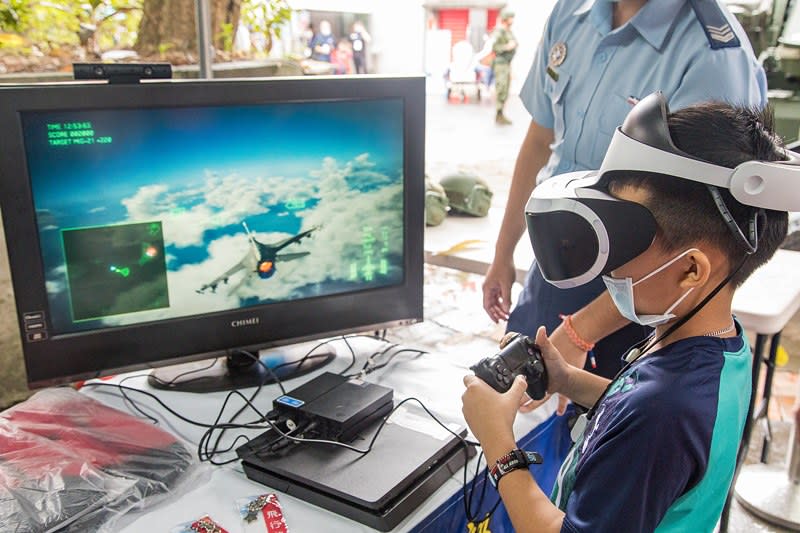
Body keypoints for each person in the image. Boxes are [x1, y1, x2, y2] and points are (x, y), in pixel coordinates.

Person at [463, 93, 795, 531]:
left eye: (625, 241)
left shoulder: (665, 411)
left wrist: (499, 446)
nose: (610, 264)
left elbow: (649, 420)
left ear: (691, 270)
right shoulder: (720, 348)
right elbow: (635, 413)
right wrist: (569, 380)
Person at [481, 0, 767, 494]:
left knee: (606, 466)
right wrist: (504, 252)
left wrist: (583, 329)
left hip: (641, 282)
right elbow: (539, 139)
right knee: (519, 415)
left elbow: (701, 236)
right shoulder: (570, 13)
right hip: (556, 266)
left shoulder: (710, 54)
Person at [491, 10, 517, 125]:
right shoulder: (499, 31)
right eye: (511, 17)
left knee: (506, 89)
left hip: (506, 64)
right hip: (500, 64)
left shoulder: (508, 31)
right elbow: (494, 46)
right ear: (506, 18)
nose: (512, 20)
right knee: (501, 88)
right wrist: (507, 46)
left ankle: (501, 114)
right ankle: (498, 113)